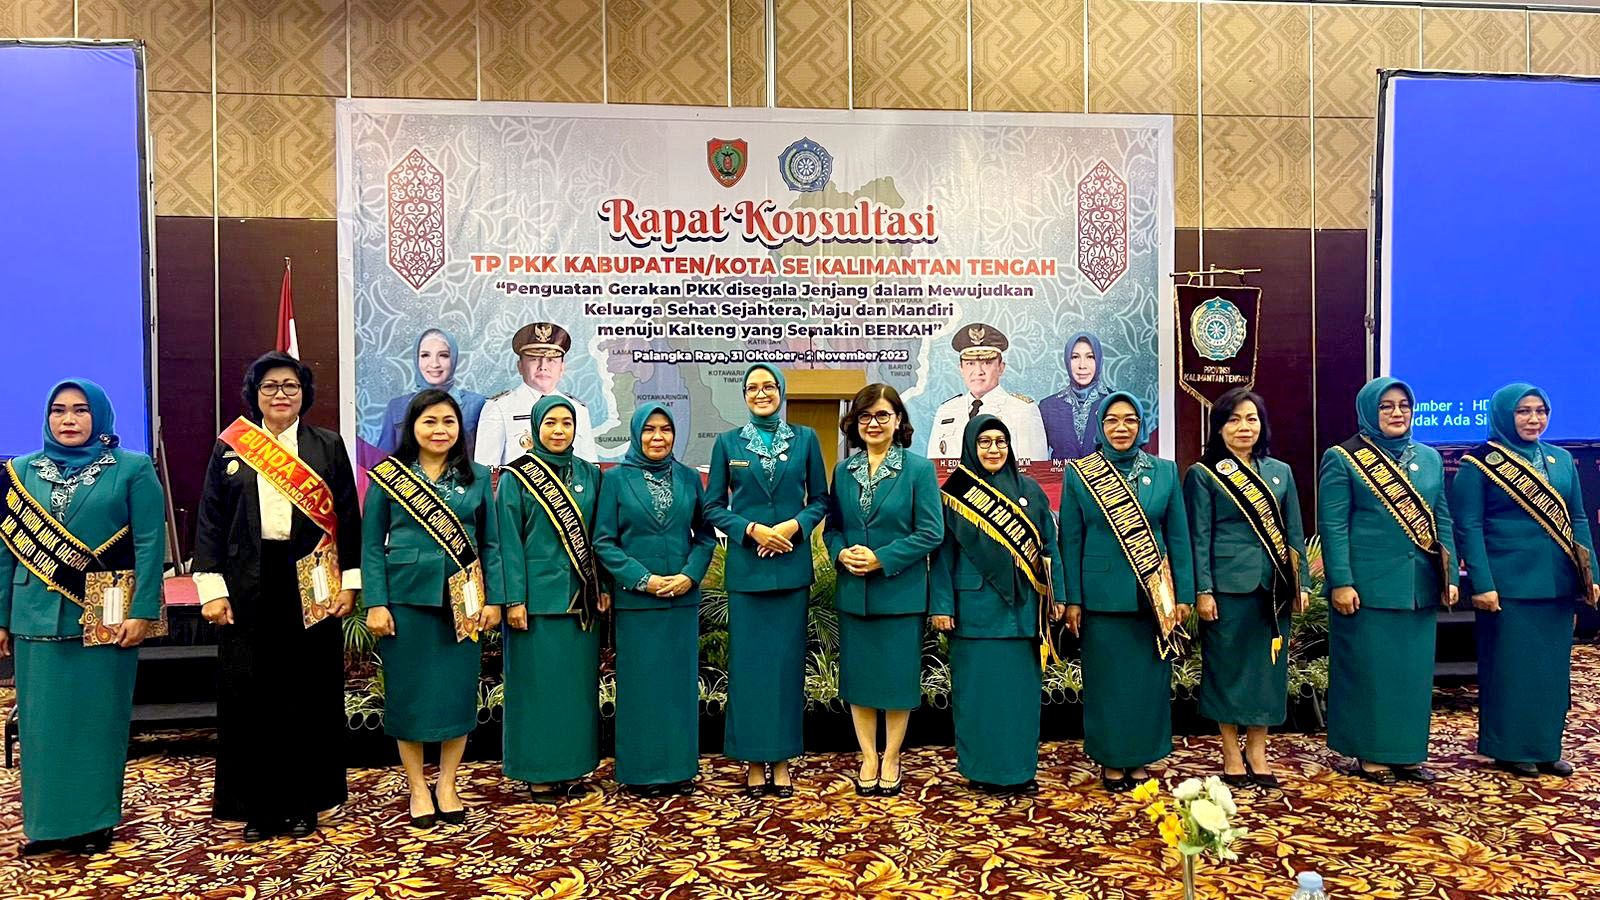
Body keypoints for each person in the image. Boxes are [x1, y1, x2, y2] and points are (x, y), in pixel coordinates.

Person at [194, 351, 362, 841]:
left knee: (308, 692)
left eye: (290, 385)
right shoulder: (231, 447)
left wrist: (350, 582)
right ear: (256, 394)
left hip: (312, 579)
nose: (281, 394)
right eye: (270, 386)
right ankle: (257, 807)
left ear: (304, 393)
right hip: (247, 582)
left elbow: (347, 515)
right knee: (250, 693)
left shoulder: (327, 445)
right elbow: (210, 521)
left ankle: (306, 801)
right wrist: (211, 589)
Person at [0, 380, 165, 855]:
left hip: (105, 618)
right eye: (58, 410)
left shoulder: (132, 467)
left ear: (100, 416)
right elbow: (4, 552)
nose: (68, 419)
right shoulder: (20, 471)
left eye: (80, 410)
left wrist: (142, 610)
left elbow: (150, 543)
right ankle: (48, 825)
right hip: (33, 617)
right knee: (42, 728)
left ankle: (94, 822)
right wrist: (1, 617)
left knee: (97, 724)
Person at [361, 389, 503, 828]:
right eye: (430, 421)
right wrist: (376, 603)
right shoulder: (388, 477)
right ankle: (417, 787)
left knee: (456, 695)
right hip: (406, 602)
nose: (440, 430)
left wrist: (495, 599)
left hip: (464, 604)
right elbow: (371, 545)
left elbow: (491, 544)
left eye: (448, 421)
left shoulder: (478, 477)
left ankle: (447, 783)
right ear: (412, 427)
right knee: (410, 696)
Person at [1452, 383, 1599, 778]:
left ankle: (1546, 747)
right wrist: (1482, 583)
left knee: (1551, 672)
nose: (1534, 419)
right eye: (1523, 411)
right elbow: (1469, 526)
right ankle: (1510, 747)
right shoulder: (1478, 464)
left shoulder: (1561, 459)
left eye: (1540, 411)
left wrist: (1591, 575)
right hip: (1508, 584)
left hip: (1557, 582)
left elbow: (1578, 519)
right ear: (1504, 415)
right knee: (1512, 670)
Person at [1318, 377, 1458, 785]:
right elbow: (1333, 526)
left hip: (1419, 587)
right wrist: (1341, 581)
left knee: (1411, 677)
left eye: (1403, 405)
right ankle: (1372, 754)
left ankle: (1407, 753)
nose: (1397, 413)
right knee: (1372, 676)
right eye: (1386, 406)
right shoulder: (1343, 458)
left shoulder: (1429, 458)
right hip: (1369, 587)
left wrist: (1448, 573)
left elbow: (1441, 518)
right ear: (1369, 411)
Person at [703, 364, 829, 796]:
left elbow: (821, 500)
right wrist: (752, 530)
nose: (762, 393)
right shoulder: (728, 443)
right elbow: (713, 506)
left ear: (781, 391)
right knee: (750, 669)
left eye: (769, 386)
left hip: (791, 569)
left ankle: (782, 758)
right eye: (753, 387)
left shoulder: (806, 439)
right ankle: (754, 760)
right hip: (748, 571)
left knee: (786, 668)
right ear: (744, 394)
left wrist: (793, 527)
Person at [1058, 392, 1194, 791]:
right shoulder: (1080, 474)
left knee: (1148, 685)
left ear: (1142, 425)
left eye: (1130, 420)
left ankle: (1142, 755)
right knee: (1107, 685)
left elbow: (1179, 538)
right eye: (1113, 420)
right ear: (1101, 426)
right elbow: (1071, 541)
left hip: (1155, 598)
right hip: (1101, 599)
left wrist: (1184, 595)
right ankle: (1111, 759)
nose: (1122, 428)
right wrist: (1073, 600)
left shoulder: (1165, 472)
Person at [930, 415, 1066, 794]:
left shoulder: (1031, 490)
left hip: (1023, 613)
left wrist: (1058, 596)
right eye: (984, 442)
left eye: (1000, 442)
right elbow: (942, 556)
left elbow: (1050, 548)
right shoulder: (953, 493)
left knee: (1019, 698)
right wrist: (942, 606)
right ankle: (981, 771)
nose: (994, 449)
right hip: (972, 612)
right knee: (977, 697)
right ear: (971, 446)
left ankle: (1019, 771)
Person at [1182, 388, 1310, 789]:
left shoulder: (1280, 472)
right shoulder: (1204, 474)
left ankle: (1257, 749)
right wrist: (1203, 590)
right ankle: (1231, 751)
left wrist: (1302, 583)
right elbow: (1198, 538)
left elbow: (1294, 533)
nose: (1243, 427)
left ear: (1262, 425)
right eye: (1234, 419)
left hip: (1274, 588)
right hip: (1227, 588)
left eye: (1251, 418)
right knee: (1227, 669)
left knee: (1266, 673)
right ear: (1219, 427)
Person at [825, 383, 944, 797]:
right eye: (865, 416)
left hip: (898, 594)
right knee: (859, 682)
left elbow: (931, 532)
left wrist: (881, 558)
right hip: (855, 594)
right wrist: (840, 553)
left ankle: (891, 756)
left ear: (898, 421)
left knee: (896, 683)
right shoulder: (843, 471)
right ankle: (868, 757)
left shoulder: (918, 470)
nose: (873, 423)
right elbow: (833, 528)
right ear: (855, 423)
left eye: (882, 415)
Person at [593, 404, 716, 795]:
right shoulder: (615, 479)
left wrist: (689, 575)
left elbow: (705, 536)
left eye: (665, 429)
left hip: (681, 599)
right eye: (649, 429)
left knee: (678, 688)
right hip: (638, 603)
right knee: (641, 689)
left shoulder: (689, 477)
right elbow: (604, 542)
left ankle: (679, 768)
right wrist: (642, 580)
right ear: (635, 433)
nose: (658, 437)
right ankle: (641, 771)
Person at [497, 394, 609, 801]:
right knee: (537, 692)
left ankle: (572, 768)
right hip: (536, 604)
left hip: (581, 603)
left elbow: (601, 537)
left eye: (567, 423)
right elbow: (508, 543)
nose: (559, 431)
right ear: (535, 428)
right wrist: (514, 600)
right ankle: (539, 773)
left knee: (575, 693)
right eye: (551, 423)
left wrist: (602, 587)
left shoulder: (590, 474)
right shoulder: (516, 477)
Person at [475, 322, 597, 466]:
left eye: (551, 360)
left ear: (562, 368)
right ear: (520, 366)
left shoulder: (578, 409)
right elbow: (485, 471)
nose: (543, 367)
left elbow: (590, 468)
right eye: (534, 359)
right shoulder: (498, 408)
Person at [927, 323, 1047, 462]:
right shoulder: (946, 410)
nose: (978, 372)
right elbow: (934, 468)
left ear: (1001, 367)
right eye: (970, 363)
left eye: (987, 363)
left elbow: (1034, 470)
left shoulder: (1023, 410)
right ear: (961, 369)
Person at [376, 328, 488, 457]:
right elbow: (382, 461)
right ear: (416, 359)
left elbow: (486, 458)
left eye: (443, 355)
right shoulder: (397, 407)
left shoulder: (476, 404)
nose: (434, 364)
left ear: (454, 359)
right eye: (425, 355)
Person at [1039, 331, 1112, 461]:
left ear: (1099, 360)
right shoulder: (1048, 407)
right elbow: (1037, 461)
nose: (1082, 366)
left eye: (1090, 357)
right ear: (1067, 361)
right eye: (1075, 357)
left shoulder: (1116, 403)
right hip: (1061, 474)